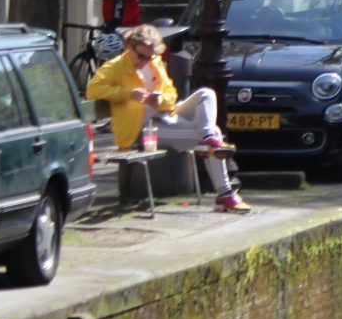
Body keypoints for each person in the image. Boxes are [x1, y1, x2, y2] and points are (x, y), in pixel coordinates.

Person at [85, 24, 249, 211]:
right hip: (141, 130)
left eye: (150, 56)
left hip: (165, 116)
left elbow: (171, 93)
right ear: (130, 47)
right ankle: (225, 193)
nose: (145, 61)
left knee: (206, 94)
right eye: (141, 56)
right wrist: (128, 93)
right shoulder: (116, 66)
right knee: (216, 135)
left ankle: (207, 138)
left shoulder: (154, 63)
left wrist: (161, 99)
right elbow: (92, 90)